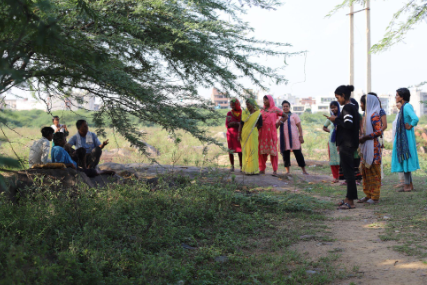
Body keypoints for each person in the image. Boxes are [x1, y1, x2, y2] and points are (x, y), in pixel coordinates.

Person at [326, 85, 360, 210]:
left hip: (347, 144)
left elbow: (348, 124)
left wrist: (336, 120)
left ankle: (350, 201)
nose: (337, 100)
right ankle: (348, 197)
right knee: (348, 172)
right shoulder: (351, 107)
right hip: (348, 144)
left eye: (338, 97)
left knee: (349, 173)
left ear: (343, 96)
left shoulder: (347, 108)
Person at [391, 88, 420, 192]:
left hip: (406, 138)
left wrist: (410, 126)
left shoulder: (406, 106)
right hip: (403, 137)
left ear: (402, 97)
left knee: (406, 158)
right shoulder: (404, 107)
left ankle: (407, 186)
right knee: (405, 159)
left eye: (397, 95)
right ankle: (409, 185)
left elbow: (415, 118)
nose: (395, 97)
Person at [358, 94, 383, 205]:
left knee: (374, 172)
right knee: (365, 172)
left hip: (373, 148)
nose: (360, 105)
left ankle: (375, 197)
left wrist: (365, 137)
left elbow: (379, 131)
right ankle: (368, 195)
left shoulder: (374, 116)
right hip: (365, 148)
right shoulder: (366, 116)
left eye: (362, 103)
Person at [277, 100, 308, 175]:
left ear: (289, 107)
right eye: (284, 106)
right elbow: (276, 126)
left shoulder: (294, 115)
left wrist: (301, 136)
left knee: (298, 153)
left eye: (287, 106)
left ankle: (304, 170)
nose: (285, 108)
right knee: (285, 154)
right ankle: (287, 171)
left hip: (294, 138)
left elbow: (299, 126)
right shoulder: (279, 116)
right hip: (284, 138)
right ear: (282, 107)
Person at [259, 95, 288, 175]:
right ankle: (262, 169)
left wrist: (279, 123)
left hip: (271, 134)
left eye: (266, 100)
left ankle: (275, 170)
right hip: (262, 134)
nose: (264, 101)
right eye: (263, 100)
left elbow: (285, 116)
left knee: (273, 152)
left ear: (270, 100)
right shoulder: (262, 110)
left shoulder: (275, 109)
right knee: (262, 152)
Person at [338, 98, 362, 185]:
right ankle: (347, 179)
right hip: (346, 141)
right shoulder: (344, 115)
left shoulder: (359, 116)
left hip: (354, 141)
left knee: (355, 159)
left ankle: (357, 179)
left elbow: (361, 129)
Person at [237, 98, 263, 175]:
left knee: (253, 151)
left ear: (253, 104)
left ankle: (254, 170)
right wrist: (239, 134)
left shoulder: (258, 114)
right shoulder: (245, 113)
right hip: (244, 134)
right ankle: (246, 169)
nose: (247, 106)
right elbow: (241, 124)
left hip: (253, 134)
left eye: (248, 104)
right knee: (245, 151)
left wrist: (253, 130)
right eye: (246, 104)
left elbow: (260, 125)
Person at [323, 101, 340, 182]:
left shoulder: (342, 116)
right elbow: (324, 127)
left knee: (341, 158)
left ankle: (341, 176)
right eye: (332, 108)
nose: (333, 109)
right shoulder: (330, 117)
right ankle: (335, 177)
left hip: (341, 140)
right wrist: (332, 131)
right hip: (332, 141)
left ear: (338, 107)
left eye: (335, 107)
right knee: (333, 159)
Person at [226, 98, 243, 172]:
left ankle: (241, 166)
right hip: (231, 135)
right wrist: (235, 123)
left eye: (233, 105)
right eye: (231, 105)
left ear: (237, 105)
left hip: (239, 134)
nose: (232, 106)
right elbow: (227, 124)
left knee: (240, 151)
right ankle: (232, 166)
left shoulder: (242, 113)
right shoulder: (229, 113)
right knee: (231, 151)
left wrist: (235, 123)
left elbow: (243, 124)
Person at [391, 102, 405, 188]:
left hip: (402, 140)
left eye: (399, 102)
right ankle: (402, 181)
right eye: (396, 103)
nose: (397, 104)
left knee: (403, 160)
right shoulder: (399, 113)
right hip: (397, 140)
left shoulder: (404, 112)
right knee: (400, 160)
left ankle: (404, 181)